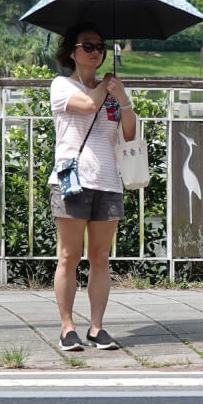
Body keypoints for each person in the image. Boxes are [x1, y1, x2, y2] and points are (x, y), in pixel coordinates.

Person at [49, 23, 136, 351]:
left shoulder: (110, 93)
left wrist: (123, 97)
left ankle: (97, 328)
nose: (96, 52)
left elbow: (129, 132)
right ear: (72, 51)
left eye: (100, 46)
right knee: (69, 255)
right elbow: (86, 107)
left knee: (100, 257)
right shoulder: (61, 86)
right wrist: (104, 89)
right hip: (72, 181)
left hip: (108, 182)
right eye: (88, 46)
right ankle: (67, 326)